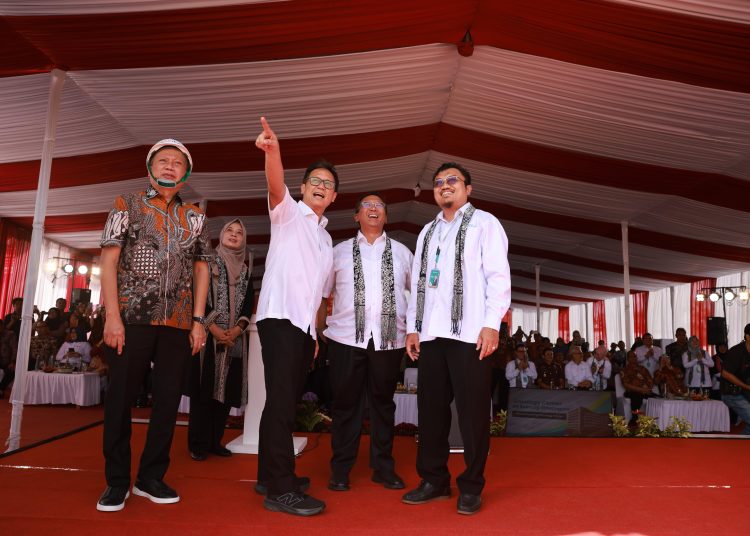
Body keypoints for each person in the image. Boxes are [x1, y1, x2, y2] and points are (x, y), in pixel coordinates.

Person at [96, 138, 210, 512]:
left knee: (167, 401)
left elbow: (201, 268)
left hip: (178, 323)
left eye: (178, 163)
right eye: (163, 161)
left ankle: (150, 477)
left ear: (186, 174)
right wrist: (112, 316)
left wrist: (198, 321)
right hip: (132, 318)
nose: (170, 166)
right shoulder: (125, 204)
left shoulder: (195, 216)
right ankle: (116, 482)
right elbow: (109, 262)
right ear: (150, 168)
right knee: (120, 399)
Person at [403, 162, 511, 515]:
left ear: (468, 189)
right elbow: (419, 283)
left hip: (469, 334)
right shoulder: (427, 231)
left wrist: (492, 323)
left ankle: (471, 485)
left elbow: (498, 276)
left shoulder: (485, 224)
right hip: (432, 334)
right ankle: (433, 480)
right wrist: (413, 327)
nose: (445, 186)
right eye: (438, 182)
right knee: (431, 413)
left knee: (472, 414)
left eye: (452, 181)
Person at [253, 117, 336, 516]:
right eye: (315, 181)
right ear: (303, 188)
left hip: (303, 328)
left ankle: (269, 475)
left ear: (334, 197)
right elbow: (274, 184)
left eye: (328, 184)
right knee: (283, 404)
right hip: (279, 317)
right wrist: (274, 152)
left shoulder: (325, 236)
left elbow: (320, 293)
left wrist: (316, 332)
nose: (321, 187)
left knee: (280, 402)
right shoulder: (288, 213)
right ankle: (281, 489)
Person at [321, 193, 413, 492]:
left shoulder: (402, 253)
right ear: (356, 217)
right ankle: (340, 469)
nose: (373, 209)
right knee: (346, 405)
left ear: (386, 217)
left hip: (390, 340)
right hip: (345, 338)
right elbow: (322, 295)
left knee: (384, 405)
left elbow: (419, 295)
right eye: (367, 206)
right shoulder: (338, 252)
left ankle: (383, 468)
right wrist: (318, 331)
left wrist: (415, 329)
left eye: (380, 207)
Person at [188, 219, 254, 461]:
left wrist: (237, 330)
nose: (234, 235)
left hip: (234, 340)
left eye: (239, 233)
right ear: (221, 235)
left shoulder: (246, 270)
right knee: (204, 391)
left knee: (225, 392)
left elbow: (248, 303)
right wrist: (213, 327)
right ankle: (198, 444)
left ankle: (215, 441)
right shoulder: (206, 261)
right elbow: (197, 294)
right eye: (230, 231)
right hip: (206, 336)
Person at [720, 324, 750, 435]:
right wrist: (747, 386)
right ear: (748, 337)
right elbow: (725, 374)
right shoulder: (736, 351)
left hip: (745, 392)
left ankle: (742, 445)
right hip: (731, 393)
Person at [620, 350, 655, 424]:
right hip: (632, 392)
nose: (634, 358)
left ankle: (653, 419)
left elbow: (650, 380)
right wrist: (641, 389)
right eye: (631, 357)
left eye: (635, 356)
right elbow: (626, 385)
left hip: (645, 391)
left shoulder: (643, 369)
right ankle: (634, 418)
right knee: (637, 396)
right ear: (628, 359)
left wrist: (648, 388)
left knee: (657, 398)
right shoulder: (625, 370)